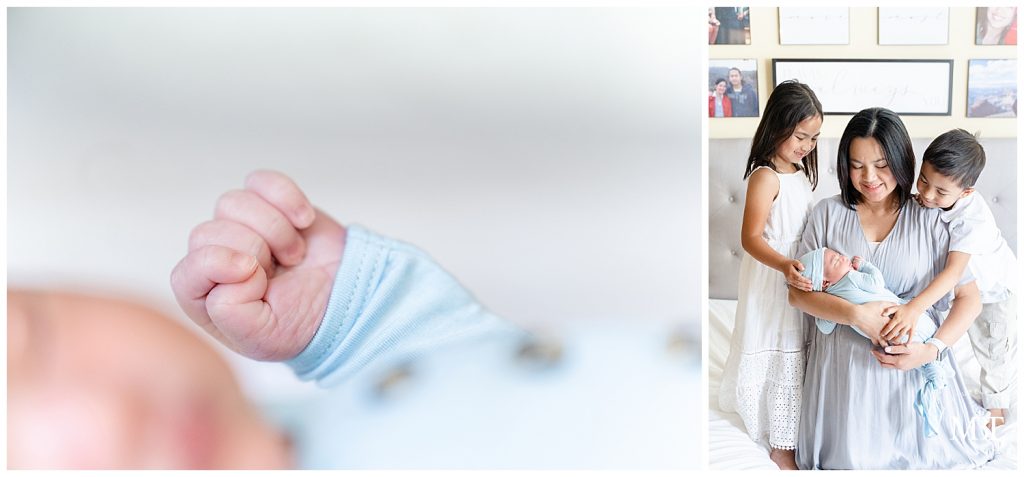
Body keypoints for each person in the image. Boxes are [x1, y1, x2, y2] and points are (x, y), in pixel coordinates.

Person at [791, 107, 997, 469]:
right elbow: (797, 294)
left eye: (882, 164)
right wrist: (856, 314)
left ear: (902, 160)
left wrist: (931, 351)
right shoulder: (826, 213)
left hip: (913, 367)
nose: (869, 177)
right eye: (857, 165)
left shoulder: (934, 218)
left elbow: (969, 298)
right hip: (843, 380)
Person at [717, 80, 822, 470]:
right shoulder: (765, 176)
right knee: (779, 341)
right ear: (777, 126)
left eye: (813, 138)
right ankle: (780, 442)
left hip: (797, 273)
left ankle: (797, 426)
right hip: (772, 273)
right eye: (800, 136)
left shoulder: (797, 172)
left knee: (798, 342)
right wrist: (783, 266)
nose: (807, 146)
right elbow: (750, 238)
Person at [907, 128, 1017, 428]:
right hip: (963, 289)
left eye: (941, 192)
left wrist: (914, 307)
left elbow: (953, 272)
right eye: (924, 181)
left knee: (992, 346)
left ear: (966, 191)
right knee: (949, 337)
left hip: (995, 290)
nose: (928, 195)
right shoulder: (928, 200)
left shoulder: (973, 220)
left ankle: (997, 406)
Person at [797, 247, 955, 437]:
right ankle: (935, 371)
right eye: (836, 261)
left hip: (888, 340)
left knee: (907, 350)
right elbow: (876, 283)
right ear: (824, 282)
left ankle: (933, 372)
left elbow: (825, 327)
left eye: (838, 255)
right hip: (903, 321)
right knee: (922, 337)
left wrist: (824, 311)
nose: (842, 256)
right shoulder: (852, 278)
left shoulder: (830, 301)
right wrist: (864, 266)